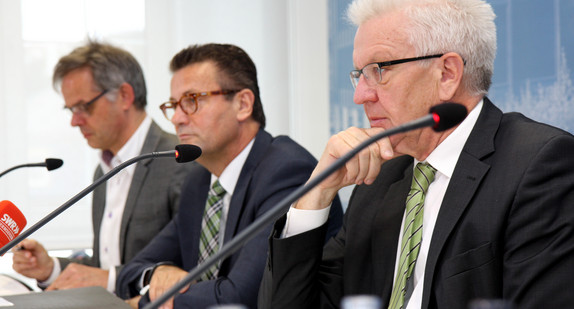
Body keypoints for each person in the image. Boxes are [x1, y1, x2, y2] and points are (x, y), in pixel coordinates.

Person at [258, 0, 574, 308]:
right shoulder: (381, 182)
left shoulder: (538, 166)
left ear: (447, 73)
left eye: (378, 70)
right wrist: (317, 192)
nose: (361, 95)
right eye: (360, 74)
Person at [115, 43, 344, 309]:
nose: (176, 118)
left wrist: (145, 302)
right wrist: (158, 273)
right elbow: (130, 273)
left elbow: (241, 298)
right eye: (173, 105)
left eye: (192, 101)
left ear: (243, 104)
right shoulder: (199, 183)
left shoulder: (286, 172)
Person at [12, 41, 191, 294]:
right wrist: (49, 268)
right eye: (70, 109)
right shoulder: (105, 169)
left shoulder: (176, 160)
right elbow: (103, 269)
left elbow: (189, 271)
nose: (75, 121)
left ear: (124, 96)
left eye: (84, 106)